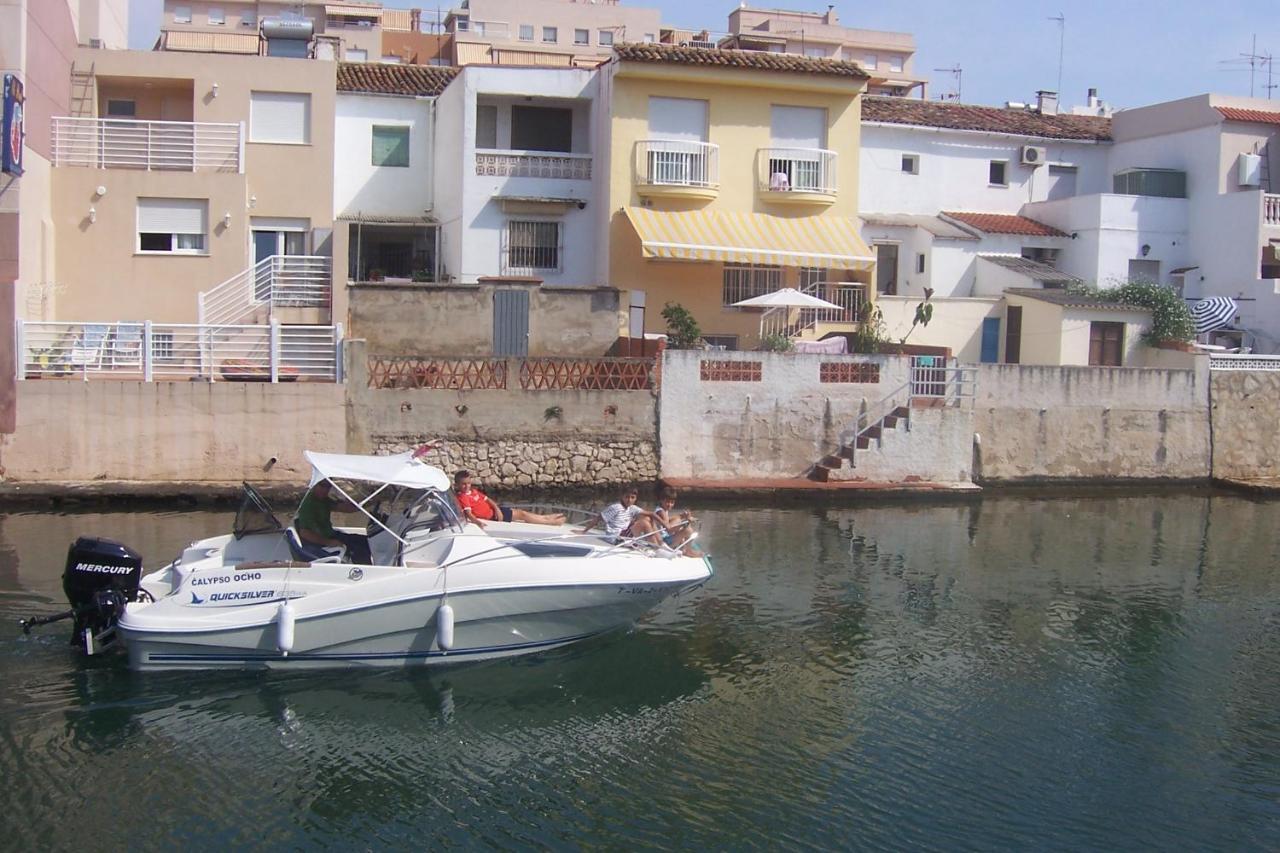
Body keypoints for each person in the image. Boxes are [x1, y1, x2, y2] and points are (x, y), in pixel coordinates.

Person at [294, 479, 373, 565]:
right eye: (322, 485)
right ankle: (361, 573)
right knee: (359, 548)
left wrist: (371, 501)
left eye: (328, 486)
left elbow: (346, 508)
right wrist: (329, 542)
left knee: (364, 540)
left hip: (331, 534)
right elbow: (305, 533)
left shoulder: (323, 500)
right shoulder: (308, 504)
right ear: (314, 485)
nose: (325, 490)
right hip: (322, 542)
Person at [453, 470, 566, 528]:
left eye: (468, 483)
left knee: (522, 513)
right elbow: (468, 513)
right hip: (493, 517)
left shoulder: (473, 491)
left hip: (496, 512)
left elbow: (488, 500)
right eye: (463, 484)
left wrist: (497, 508)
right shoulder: (463, 497)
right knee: (522, 515)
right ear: (457, 485)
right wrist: (478, 523)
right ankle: (549, 522)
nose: (467, 486)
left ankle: (546, 518)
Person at [578, 487, 661, 543]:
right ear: (622, 497)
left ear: (635, 499)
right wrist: (584, 531)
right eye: (627, 497)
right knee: (644, 523)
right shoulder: (616, 507)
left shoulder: (632, 508)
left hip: (624, 535)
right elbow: (598, 518)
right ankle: (657, 547)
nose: (629, 500)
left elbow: (652, 514)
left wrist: (666, 525)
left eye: (632, 497)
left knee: (647, 518)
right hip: (616, 537)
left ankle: (659, 544)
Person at [654, 488, 699, 556]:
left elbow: (668, 520)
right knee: (688, 530)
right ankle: (688, 551)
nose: (669, 505)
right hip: (664, 542)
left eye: (672, 502)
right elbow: (669, 530)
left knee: (677, 520)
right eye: (667, 502)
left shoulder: (661, 509)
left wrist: (681, 516)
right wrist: (685, 522)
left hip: (664, 538)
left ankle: (683, 547)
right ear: (661, 500)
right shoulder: (661, 512)